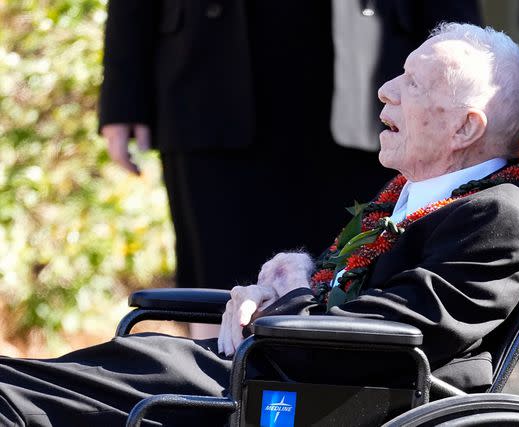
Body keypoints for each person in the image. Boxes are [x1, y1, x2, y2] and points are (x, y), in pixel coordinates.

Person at [0, 23, 519, 425]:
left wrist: (285, 304)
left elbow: (397, 335)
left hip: (311, 396)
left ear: (467, 127)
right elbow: (348, 298)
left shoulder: (496, 215)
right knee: (36, 382)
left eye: (415, 84)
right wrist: (285, 286)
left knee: (27, 403)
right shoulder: (410, 192)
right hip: (269, 370)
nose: (387, 90)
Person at [98, 2, 481, 331]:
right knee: (219, 286)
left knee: (351, 286)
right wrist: (122, 95)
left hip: (364, 88)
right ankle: (211, 401)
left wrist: (470, 88)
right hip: (204, 81)